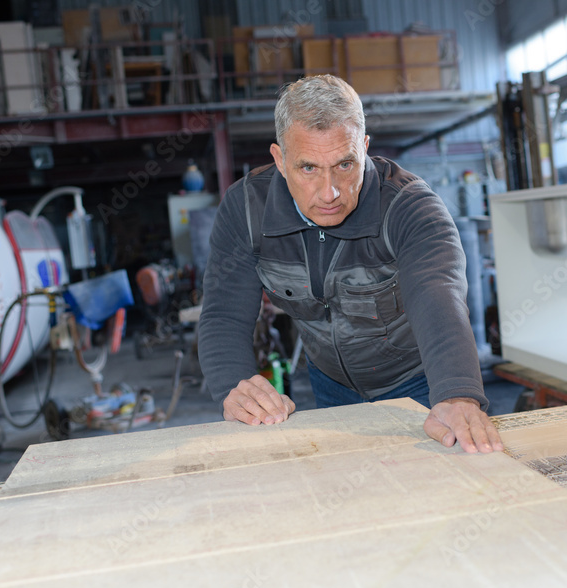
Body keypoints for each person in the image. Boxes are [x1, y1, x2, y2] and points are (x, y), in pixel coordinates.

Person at [198, 75, 502, 454]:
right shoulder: (245, 211)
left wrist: (457, 393)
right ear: (279, 159)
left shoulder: (409, 207)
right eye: (308, 168)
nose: (330, 193)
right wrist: (234, 385)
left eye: (345, 165)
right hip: (329, 385)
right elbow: (224, 313)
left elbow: (438, 297)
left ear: (365, 147)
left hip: (420, 385)